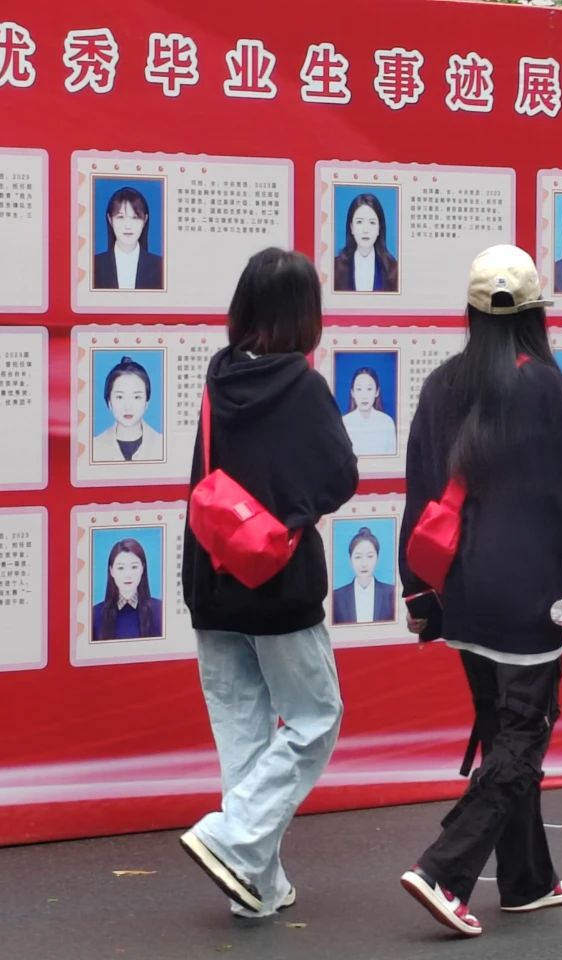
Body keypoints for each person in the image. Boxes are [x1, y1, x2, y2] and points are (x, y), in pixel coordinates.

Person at [397, 244, 562, 937]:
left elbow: (420, 494)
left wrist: (419, 595)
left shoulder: (441, 385)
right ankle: (444, 869)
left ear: (470, 312)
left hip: (461, 593)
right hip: (527, 596)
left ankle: (527, 880)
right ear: (533, 316)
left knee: (502, 732)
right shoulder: (544, 387)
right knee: (523, 736)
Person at [179, 247, 359, 919]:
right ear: (304, 314)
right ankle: (230, 837)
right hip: (277, 583)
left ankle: (257, 886)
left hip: (211, 576)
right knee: (315, 717)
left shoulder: (217, 376)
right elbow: (340, 476)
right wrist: (292, 510)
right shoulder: (302, 386)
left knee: (244, 737)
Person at [92, 356, 165, 462]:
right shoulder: (94, 447)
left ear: (146, 402)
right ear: (109, 402)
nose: (128, 407)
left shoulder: (162, 444)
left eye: (137, 397)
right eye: (120, 397)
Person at [91, 538, 164, 641]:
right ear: (111, 571)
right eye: (121, 568)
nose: (128, 574)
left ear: (142, 569)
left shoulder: (161, 610)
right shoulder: (95, 614)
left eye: (134, 567)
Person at [93, 185, 164, 290]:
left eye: (135, 217)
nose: (128, 226)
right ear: (110, 219)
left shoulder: (161, 266)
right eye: (120, 217)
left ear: (145, 220)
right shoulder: (94, 265)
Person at [333, 193, 399, 293]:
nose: (365, 230)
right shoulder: (335, 267)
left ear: (379, 228)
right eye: (359, 222)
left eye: (372, 222)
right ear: (351, 227)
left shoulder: (393, 270)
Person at [331, 526, 396, 624]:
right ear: (350, 559)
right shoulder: (336, 597)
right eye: (358, 557)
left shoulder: (392, 593)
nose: (364, 564)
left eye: (370, 556)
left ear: (377, 558)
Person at [341, 365, 397, 456]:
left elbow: (392, 458)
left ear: (377, 392)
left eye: (369, 389)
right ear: (352, 393)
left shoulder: (387, 422)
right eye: (359, 389)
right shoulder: (344, 423)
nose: (364, 396)